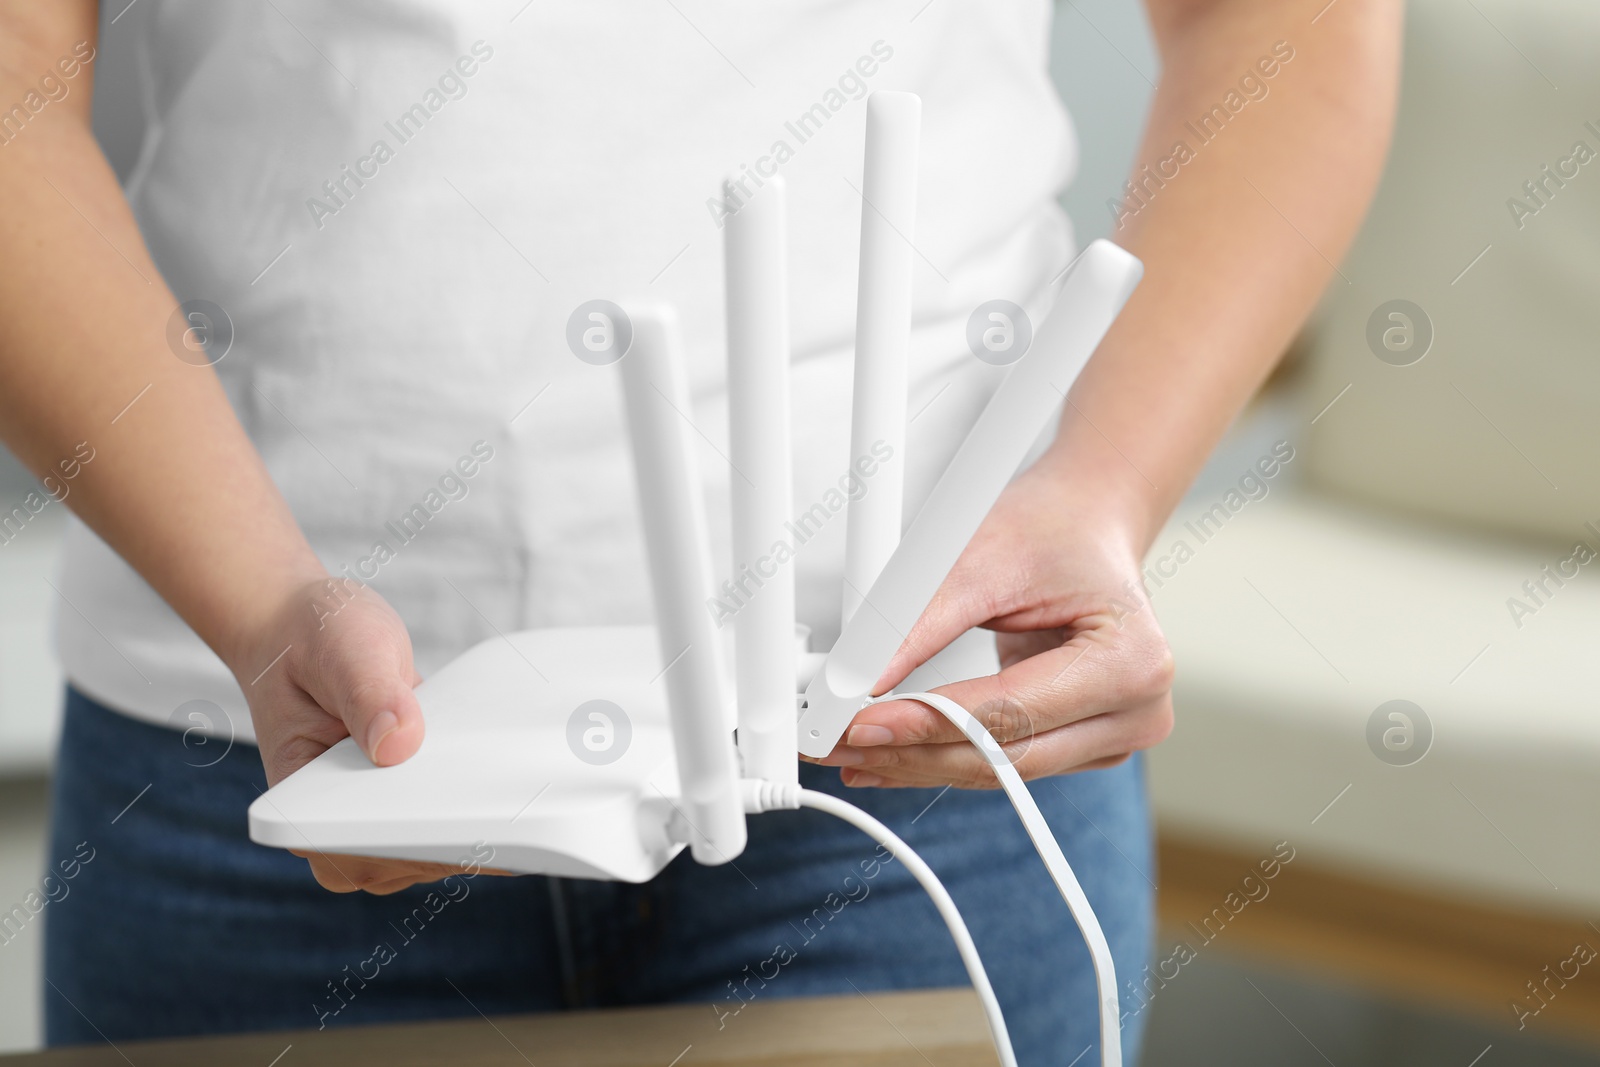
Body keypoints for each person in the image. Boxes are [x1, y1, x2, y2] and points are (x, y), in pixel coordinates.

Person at [0, 1, 1399, 1062]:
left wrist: (1103, 489)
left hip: (921, 726)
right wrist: (256, 600)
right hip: (252, 731)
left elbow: (1288, 27)